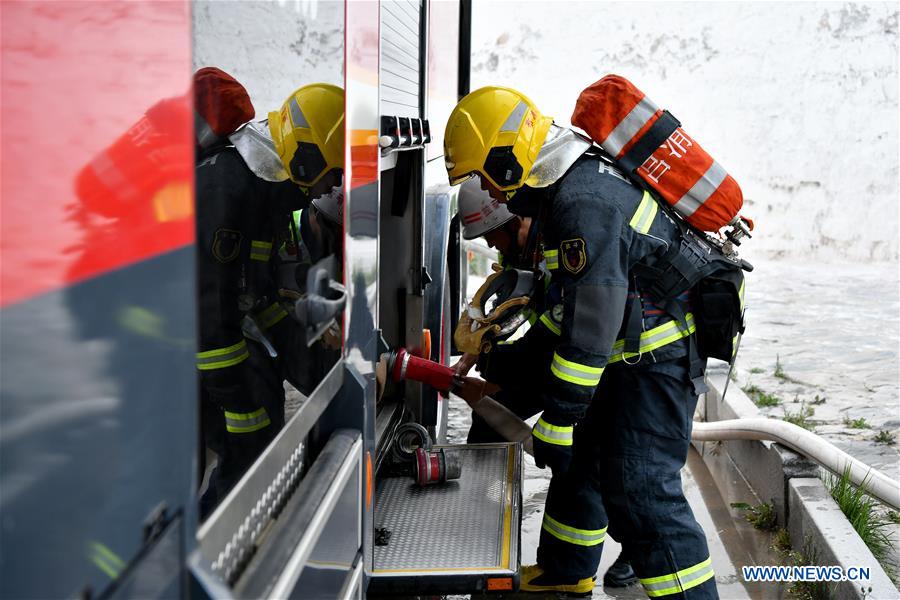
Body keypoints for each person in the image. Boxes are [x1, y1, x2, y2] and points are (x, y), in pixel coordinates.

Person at [444, 87, 717, 598]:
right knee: (583, 467)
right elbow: (562, 318)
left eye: (482, 179)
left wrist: (560, 415)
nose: (493, 196)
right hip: (627, 360)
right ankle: (565, 575)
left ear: (507, 161)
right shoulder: (563, 196)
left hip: (653, 366)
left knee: (643, 497)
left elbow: (592, 321)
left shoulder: (583, 202)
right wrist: (505, 363)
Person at [453, 179, 639, 589]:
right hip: (563, 354)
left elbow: (566, 326)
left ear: (515, 218)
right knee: (491, 423)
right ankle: (482, 534)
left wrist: (501, 365)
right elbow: (539, 312)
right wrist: (483, 349)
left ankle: (635, 546)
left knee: (600, 463)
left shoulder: (565, 233)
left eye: (493, 236)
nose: (495, 247)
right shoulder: (533, 243)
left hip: (599, 362)